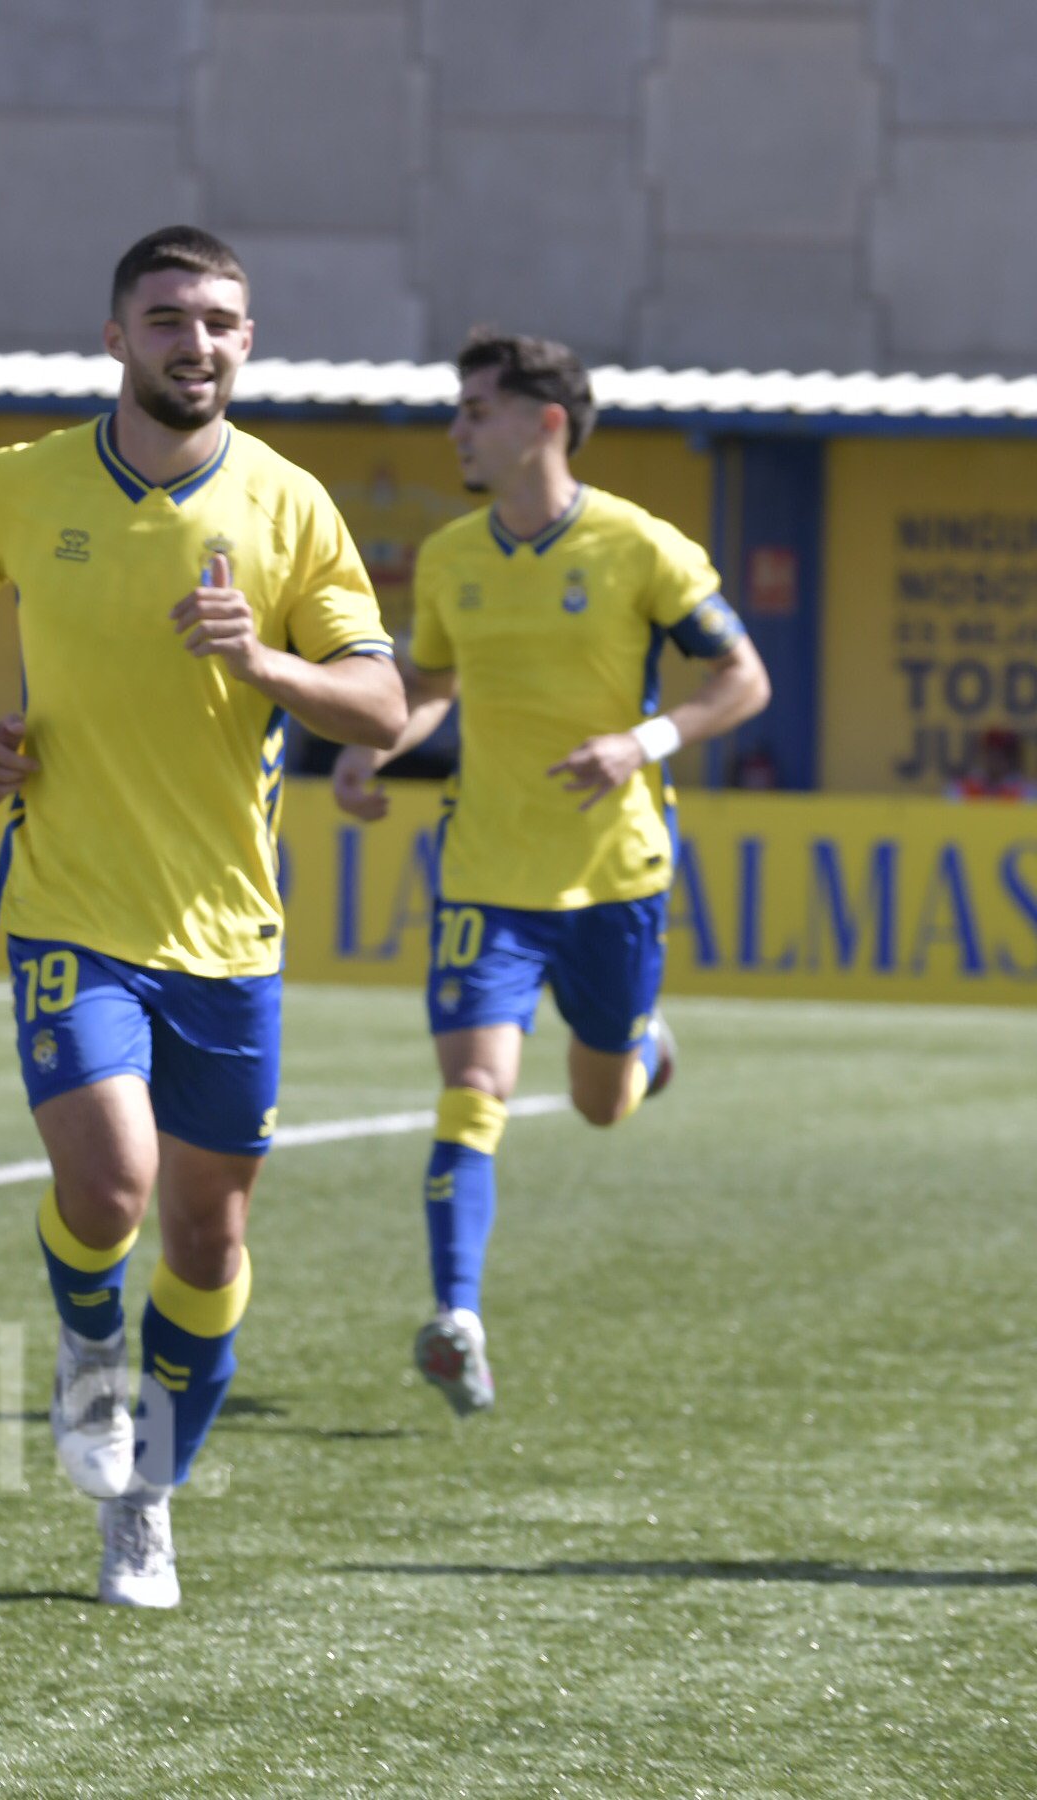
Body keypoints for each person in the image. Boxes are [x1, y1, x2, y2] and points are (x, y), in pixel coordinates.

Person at [0, 225, 405, 1609]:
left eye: (221, 322)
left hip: (230, 937)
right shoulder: (21, 482)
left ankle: (146, 1501)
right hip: (70, 907)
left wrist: (269, 663)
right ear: (116, 337)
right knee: (110, 1184)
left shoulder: (290, 505)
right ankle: (87, 1350)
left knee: (206, 1243)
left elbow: (382, 703)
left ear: (248, 342)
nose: (197, 343)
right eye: (170, 318)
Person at [333, 329, 770, 1416]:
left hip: (614, 875)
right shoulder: (451, 556)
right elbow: (428, 686)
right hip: (484, 875)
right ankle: (457, 1320)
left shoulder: (639, 546)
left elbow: (742, 680)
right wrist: (373, 746)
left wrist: (640, 743)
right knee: (472, 1090)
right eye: (457, 409)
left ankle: (641, 1049)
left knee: (600, 1104)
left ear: (545, 423)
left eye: (475, 410)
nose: (456, 429)